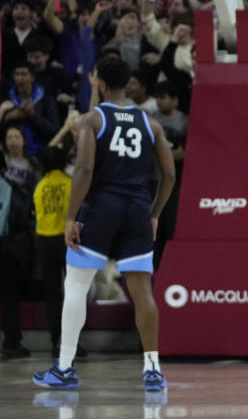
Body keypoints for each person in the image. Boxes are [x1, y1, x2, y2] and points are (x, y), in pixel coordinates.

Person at [33, 56, 176, 391]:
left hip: (102, 208)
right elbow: (169, 174)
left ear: (98, 82)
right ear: (126, 83)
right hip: (138, 208)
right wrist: (154, 214)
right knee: (143, 292)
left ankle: (65, 368)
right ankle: (153, 370)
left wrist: (71, 216)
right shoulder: (150, 122)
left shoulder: (91, 121)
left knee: (77, 286)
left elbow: (82, 170)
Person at [33, 146, 71, 355]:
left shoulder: (40, 186)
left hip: (44, 242)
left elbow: (35, 213)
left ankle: (55, 339)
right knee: (72, 292)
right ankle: (70, 342)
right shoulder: (70, 183)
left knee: (52, 294)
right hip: (66, 242)